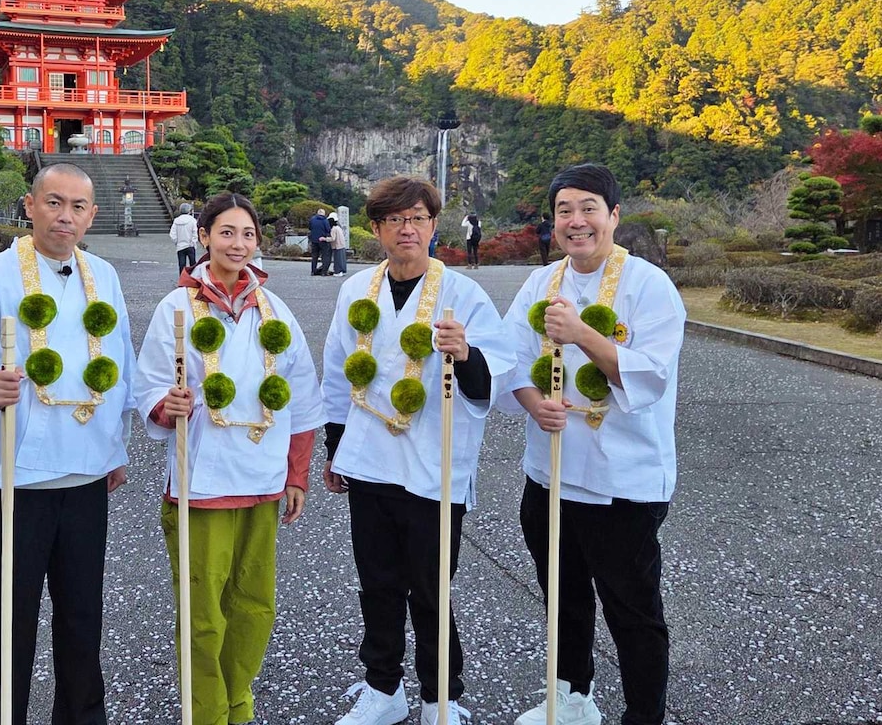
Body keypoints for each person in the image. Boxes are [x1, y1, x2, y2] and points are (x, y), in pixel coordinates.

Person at [0, 163, 137, 725]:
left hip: (87, 477)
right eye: (54, 203)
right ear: (29, 205)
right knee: (9, 623)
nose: (65, 217)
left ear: (93, 215)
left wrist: (114, 450)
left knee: (82, 619)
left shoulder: (105, 277)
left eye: (79, 207)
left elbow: (120, 368)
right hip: (17, 481)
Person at [321, 176, 517, 725]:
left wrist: (468, 353)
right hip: (368, 459)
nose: (408, 229)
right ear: (377, 229)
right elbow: (339, 371)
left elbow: (495, 375)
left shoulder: (462, 294)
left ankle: (440, 698)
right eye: (395, 220)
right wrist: (335, 447)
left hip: (433, 463)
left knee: (431, 590)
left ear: (434, 225)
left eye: (418, 218)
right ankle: (383, 689)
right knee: (378, 583)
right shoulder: (355, 289)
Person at [496, 163, 685, 725]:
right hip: (549, 472)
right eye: (564, 211)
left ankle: (643, 715)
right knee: (563, 597)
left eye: (588, 208)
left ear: (613, 216)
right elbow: (510, 360)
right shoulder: (542, 282)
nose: (576, 222)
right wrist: (533, 402)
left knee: (633, 610)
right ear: (553, 222)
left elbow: (650, 376)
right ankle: (572, 698)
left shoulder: (650, 286)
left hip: (622, 480)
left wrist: (582, 333)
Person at [135, 191, 324, 725]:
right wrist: (165, 405)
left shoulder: (274, 310)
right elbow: (147, 385)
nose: (237, 244)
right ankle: (206, 714)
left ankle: (237, 703)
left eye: (247, 234)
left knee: (254, 606)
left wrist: (296, 475)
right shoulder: (176, 308)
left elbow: (303, 398)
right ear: (204, 237)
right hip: (202, 483)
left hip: (263, 479)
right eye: (226, 233)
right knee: (203, 615)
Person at [170, 202, 199, 276]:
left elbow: (172, 234)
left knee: (181, 264)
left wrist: (176, 241)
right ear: (189, 210)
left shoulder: (176, 220)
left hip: (180, 245)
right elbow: (195, 232)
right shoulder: (192, 220)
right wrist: (193, 241)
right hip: (190, 245)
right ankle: (193, 277)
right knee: (193, 263)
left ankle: (182, 279)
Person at [310, 208, 333, 276]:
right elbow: (328, 230)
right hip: (323, 240)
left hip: (314, 240)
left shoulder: (312, 219)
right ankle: (324, 272)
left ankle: (313, 271)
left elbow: (310, 228)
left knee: (314, 256)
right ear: (323, 214)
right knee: (325, 256)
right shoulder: (325, 220)